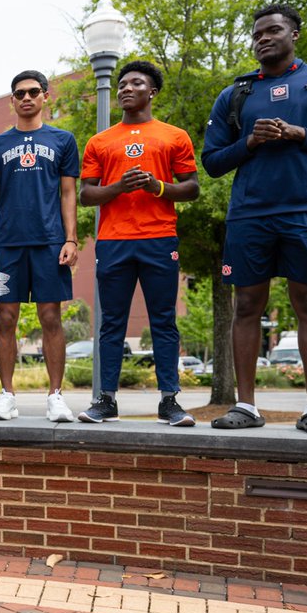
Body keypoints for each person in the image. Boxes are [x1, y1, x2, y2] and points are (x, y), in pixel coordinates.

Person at [203, 4, 307, 435]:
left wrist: (300, 134)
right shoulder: (235, 94)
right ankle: (246, 407)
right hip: (249, 215)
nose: (263, 39)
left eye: (273, 30)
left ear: (295, 32)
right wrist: (251, 142)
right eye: (257, 34)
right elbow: (213, 162)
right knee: (247, 306)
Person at [78, 60, 200, 425]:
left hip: (160, 238)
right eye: (122, 84)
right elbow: (86, 195)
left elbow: (192, 188)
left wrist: (155, 186)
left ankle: (169, 400)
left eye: (136, 83)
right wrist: (119, 187)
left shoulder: (174, 136)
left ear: (153, 92)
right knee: (111, 323)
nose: (126, 89)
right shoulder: (100, 141)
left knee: (164, 320)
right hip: (113, 241)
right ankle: (106, 400)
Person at [0, 70, 80, 422]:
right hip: (6, 245)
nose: (26, 98)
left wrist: (71, 238)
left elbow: (69, 193)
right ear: (12, 100)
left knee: (51, 317)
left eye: (33, 91)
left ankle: (56, 396)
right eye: (19, 93)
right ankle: (7, 396)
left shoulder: (63, 140)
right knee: (6, 318)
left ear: (45, 96)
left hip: (50, 242)